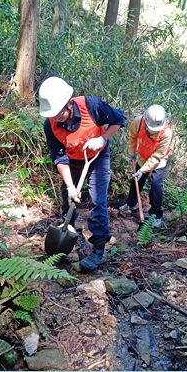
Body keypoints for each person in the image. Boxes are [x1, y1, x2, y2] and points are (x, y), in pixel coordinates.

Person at [39, 76, 126, 271]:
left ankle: (97, 249)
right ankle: (67, 233)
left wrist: (103, 139)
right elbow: (59, 158)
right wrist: (70, 186)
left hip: (97, 156)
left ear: (69, 102)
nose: (56, 117)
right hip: (72, 160)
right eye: (52, 114)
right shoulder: (50, 126)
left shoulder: (92, 106)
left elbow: (119, 119)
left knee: (98, 201)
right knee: (68, 199)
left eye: (59, 112)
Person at [119, 104, 172, 227]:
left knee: (155, 185)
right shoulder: (138, 122)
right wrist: (131, 153)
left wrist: (143, 170)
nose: (153, 132)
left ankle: (156, 215)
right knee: (136, 180)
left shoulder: (166, 133)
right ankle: (132, 204)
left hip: (159, 161)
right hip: (143, 157)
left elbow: (158, 155)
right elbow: (132, 137)